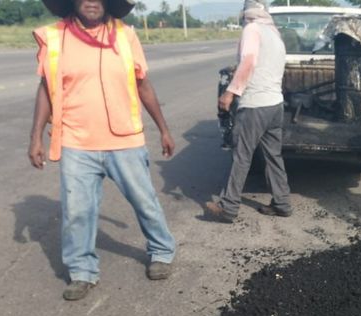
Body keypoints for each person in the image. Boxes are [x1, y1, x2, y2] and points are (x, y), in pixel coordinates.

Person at [28, 0, 176, 300]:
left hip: (125, 140)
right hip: (77, 142)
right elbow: (45, 88)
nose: (92, 2)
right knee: (77, 211)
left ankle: (161, 251)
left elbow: (143, 85)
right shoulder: (55, 37)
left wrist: (163, 128)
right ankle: (81, 271)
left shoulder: (125, 36)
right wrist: (35, 137)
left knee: (145, 201)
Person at [204, 0, 292, 223]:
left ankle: (228, 207)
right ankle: (282, 203)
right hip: (275, 104)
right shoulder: (274, 33)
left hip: (255, 105)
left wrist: (230, 92)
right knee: (273, 156)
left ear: (247, 12)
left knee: (242, 156)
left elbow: (249, 61)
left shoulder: (252, 29)